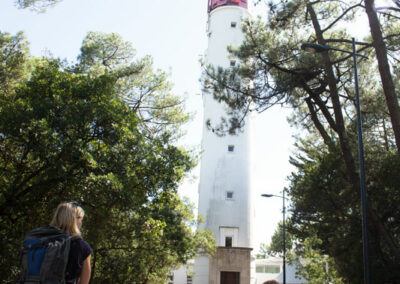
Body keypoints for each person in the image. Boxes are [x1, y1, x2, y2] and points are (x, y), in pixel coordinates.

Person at [50, 202, 92, 284]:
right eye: (81, 219)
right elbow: (84, 282)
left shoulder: (42, 240)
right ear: (74, 220)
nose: (81, 223)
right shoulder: (82, 246)